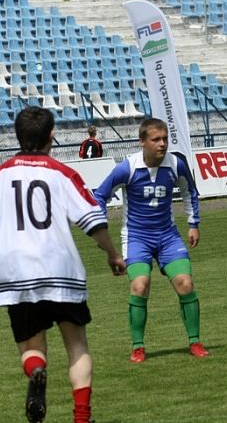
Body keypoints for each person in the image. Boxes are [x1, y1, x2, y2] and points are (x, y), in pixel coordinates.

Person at [0, 106, 126, 423]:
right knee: (76, 345)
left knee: (31, 346)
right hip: (61, 269)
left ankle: (36, 371)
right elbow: (92, 221)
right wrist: (113, 254)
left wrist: (10, 255)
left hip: (16, 274)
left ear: (18, 136)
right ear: (51, 136)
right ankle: (81, 417)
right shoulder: (62, 173)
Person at [94, 118, 208, 363]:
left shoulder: (176, 164)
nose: (162, 144)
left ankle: (195, 342)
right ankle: (138, 346)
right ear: (142, 142)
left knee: (186, 283)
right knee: (140, 286)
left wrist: (193, 224)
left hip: (168, 236)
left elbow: (190, 191)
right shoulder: (127, 168)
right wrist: (100, 227)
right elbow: (100, 196)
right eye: (156, 139)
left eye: (165, 139)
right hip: (137, 237)